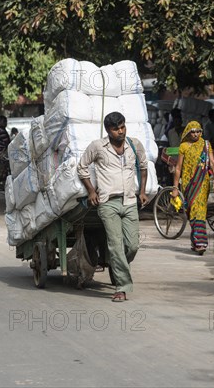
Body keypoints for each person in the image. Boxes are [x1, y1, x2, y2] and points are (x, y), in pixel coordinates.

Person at [77, 111, 148, 302]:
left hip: (130, 201)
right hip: (107, 203)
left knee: (132, 246)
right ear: (108, 130)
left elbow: (143, 166)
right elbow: (81, 167)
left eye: (123, 127)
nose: (121, 131)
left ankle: (119, 267)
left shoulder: (134, 145)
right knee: (116, 246)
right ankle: (121, 287)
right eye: (116, 129)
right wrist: (91, 191)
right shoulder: (98, 147)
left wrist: (142, 191)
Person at [171, 121, 214, 254]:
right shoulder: (184, 146)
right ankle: (196, 240)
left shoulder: (206, 144)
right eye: (193, 131)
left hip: (202, 183)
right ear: (188, 132)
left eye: (198, 131)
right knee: (192, 211)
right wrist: (175, 187)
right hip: (188, 184)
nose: (196, 134)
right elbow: (178, 168)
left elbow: (213, 163)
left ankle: (201, 243)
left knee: (199, 211)